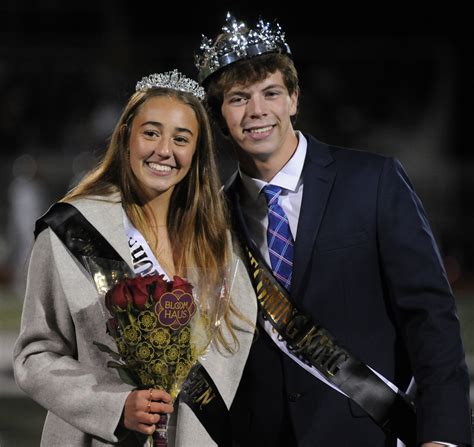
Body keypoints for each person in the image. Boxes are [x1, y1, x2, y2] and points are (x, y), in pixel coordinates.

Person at [193, 13, 473, 447]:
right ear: (218, 116)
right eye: (238, 99)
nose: (257, 111)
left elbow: (430, 317)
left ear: (294, 99)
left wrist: (443, 436)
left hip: (368, 433)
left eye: (271, 93)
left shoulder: (372, 181)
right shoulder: (211, 216)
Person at [13, 69, 256, 446]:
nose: (164, 150)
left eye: (181, 138)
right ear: (126, 136)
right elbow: (35, 354)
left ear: (196, 152)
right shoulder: (71, 230)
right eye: (151, 133)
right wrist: (114, 406)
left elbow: (235, 347)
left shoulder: (217, 242)